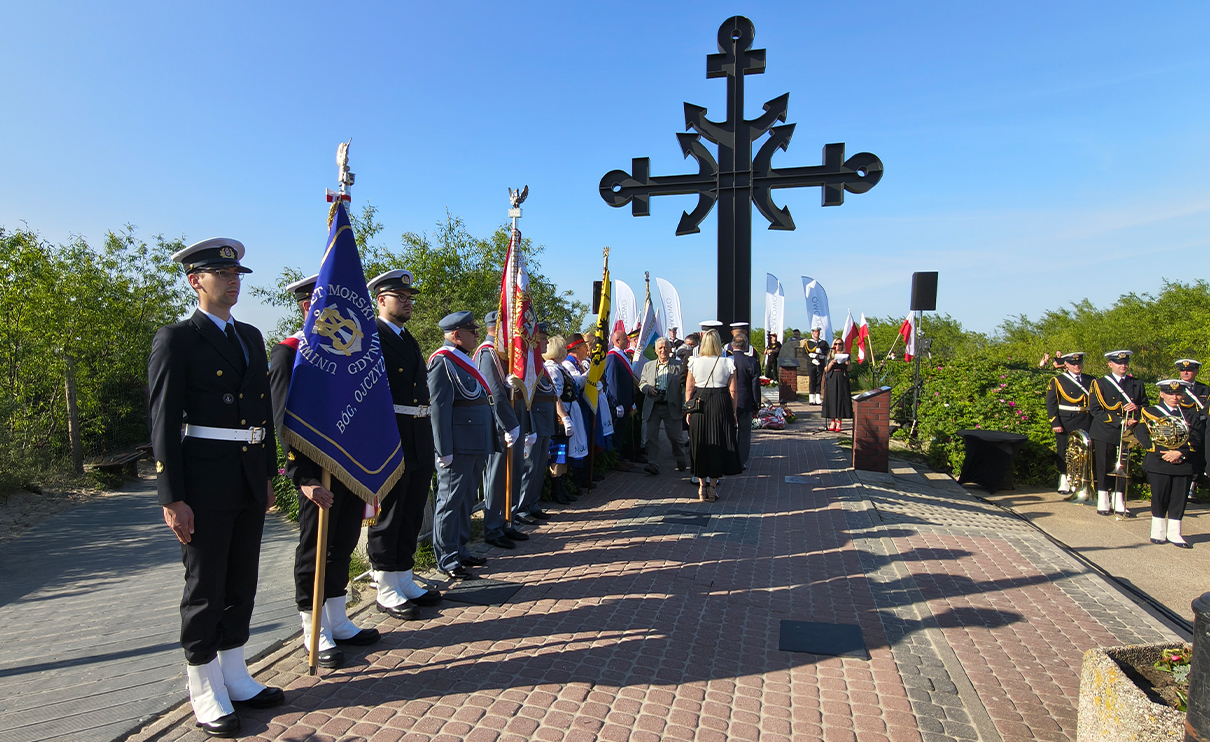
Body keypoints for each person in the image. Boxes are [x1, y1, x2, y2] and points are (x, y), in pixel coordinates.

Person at [149, 238, 283, 736]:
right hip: (202, 478)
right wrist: (171, 496)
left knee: (240, 580)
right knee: (205, 586)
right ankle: (203, 686)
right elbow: (163, 421)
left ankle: (235, 675)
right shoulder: (177, 338)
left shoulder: (249, 335)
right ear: (195, 281)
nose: (233, 281)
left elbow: (262, 414)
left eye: (237, 275)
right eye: (221, 274)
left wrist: (267, 473)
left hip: (247, 472)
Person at [271, 274, 379, 670]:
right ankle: (312, 627)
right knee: (315, 548)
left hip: (350, 469)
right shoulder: (289, 354)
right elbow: (282, 420)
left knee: (345, 542)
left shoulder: (351, 354)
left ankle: (337, 618)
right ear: (307, 307)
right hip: (317, 474)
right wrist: (303, 477)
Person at [366, 270, 444, 614]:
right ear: (381, 300)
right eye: (401, 297)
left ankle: (403, 576)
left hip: (418, 432)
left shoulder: (407, 338)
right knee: (391, 512)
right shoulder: (372, 337)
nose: (409, 302)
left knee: (412, 509)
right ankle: (385, 585)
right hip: (391, 433)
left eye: (410, 297)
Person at [427, 311, 495, 580]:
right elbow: (439, 410)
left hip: (475, 442)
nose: (476, 336)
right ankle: (447, 557)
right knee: (450, 501)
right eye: (472, 332)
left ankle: (460, 548)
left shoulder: (463, 361)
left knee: (466, 499)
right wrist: (443, 449)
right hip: (458, 445)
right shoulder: (442, 363)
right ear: (456, 335)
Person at [474, 311, 527, 551]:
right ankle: (493, 527)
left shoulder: (502, 353)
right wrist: (509, 423)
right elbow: (494, 392)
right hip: (500, 424)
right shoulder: (488, 353)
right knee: (497, 478)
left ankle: (508, 519)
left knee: (512, 473)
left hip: (511, 423)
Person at [1136, 380, 1200, 548]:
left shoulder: (1190, 414)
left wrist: (1180, 453)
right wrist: (1163, 453)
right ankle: (1157, 532)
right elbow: (1143, 435)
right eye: (1170, 394)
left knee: (1179, 499)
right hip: (1159, 462)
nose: (1174, 397)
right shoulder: (1150, 412)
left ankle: (1175, 533)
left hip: (1183, 463)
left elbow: (1196, 438)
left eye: (1178, 394)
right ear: (1162, 394)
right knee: (1160, 496)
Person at [1089, 350, 1148, 517]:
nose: (1123, 365)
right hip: (1105, 430)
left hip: (1127, 432)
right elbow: (1095, 409)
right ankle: (1103, 499)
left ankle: (1119, 500)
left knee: (1123, 465)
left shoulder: (1136, 383)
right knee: (1103, 465)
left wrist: (1136, 409)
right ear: (1110, 365)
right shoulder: (1100, 383)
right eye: (1119, 363)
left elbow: (1145, 405)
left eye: (1125, 363)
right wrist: (1119, 421)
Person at [685, 329, 741, 501]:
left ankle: (701, 487)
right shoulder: (728, 362)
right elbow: (733, 390)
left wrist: (689, 409)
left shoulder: (694, 362)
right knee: (718, 442)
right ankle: (713, 488)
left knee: (700, 443)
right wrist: (733, 412)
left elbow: (689, 388)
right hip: (721, 403)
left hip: (700, 402)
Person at [517, 322, 556, 523]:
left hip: (545, 421)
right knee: (529, 466)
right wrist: (529, 426)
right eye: (542, 338)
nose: (546, 341)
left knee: (540, 466)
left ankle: (533, 503)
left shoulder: (540, 364)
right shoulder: (528, 365)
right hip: (534, 422)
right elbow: (526, 397)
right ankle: (521, 507)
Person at [1044, 352, 1094, 495]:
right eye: (1073, 364)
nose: (1076, 366)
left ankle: (1080, 479)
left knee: (1084, 451)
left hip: (1086, 418)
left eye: (1079, 363)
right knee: (1064, 450)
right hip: (1066, 420)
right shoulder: (1058, 380)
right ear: (1066, 365)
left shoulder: (1091, 380)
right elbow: (1051, 403)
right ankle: (1064, 478)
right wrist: (1055, 422)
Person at [639, 337, 687, 474]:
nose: (663, 350)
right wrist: (648, 388)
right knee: (651, 437)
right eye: (660, 348)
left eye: (665, 347)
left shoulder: (678, 365)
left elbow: (684, 386)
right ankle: (653, 464)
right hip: (653, 406)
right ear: (655, 350)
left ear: (670, 349)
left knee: (675, 437)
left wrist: (684, 404)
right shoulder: (648, 366)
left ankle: (680, 459)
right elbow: (641, 383)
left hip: (671, 405)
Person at [543, 335, 579, 503]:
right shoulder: (552, 369)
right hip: (557, 417)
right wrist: (564, 417)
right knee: (557, 454)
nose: (566, 350)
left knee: (563, 453)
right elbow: (555, 396)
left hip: (566, 412)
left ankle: (563, 487)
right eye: (563, 347)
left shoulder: (559, 367)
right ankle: (557, 490)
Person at [605, 329, 641, 464]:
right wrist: (616, 402)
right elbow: (612, 381)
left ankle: (621, 457)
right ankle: (616, 460)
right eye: (625, 339)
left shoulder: (623, 355)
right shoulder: (613, 356)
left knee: (622, 431)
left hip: (626, 401)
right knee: (617, 432)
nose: (627, 341)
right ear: (617, 341)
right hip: (619, 403)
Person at [730, 330, 763, 470]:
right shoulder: (751, 362)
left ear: (732, 345)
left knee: (729, 431)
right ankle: (741, 461)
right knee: (744, 433)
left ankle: (729, 458)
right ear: (745, 346)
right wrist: (757, 403)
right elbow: (755, 386)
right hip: (745, 402)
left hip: (729, 401)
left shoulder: (726, 360)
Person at [1176, 359, 1209, 491]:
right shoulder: (1174, 388)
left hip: (1200, 428)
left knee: (1199, 457)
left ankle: (1193, 487)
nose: (1185, 372)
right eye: (1183, 370)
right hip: (1181, 428)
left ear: (1196, 371)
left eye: (1189, 370)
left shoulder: (1205, 389)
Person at [822, 339, 853, 432]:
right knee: (832, 399)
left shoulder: (846, 355)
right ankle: (832, 421)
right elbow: (826, 369)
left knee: (841, 399)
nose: (838, 346)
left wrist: (848, 364)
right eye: (836, 344)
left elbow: (850, 369)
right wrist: (831, 363)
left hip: (842, 378)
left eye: (840, 344)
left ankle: (839, 421)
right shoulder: (830, 355)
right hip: (832, 378)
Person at [804, 326, 829, 405]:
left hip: (820, 363)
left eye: (818, 332)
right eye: (815, 332)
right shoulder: (809, 343)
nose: (816, 333)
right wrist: (811, 359)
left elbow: (827, 351)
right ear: (812, 333)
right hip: (812, 364)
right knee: (812, 380)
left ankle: (818, 398)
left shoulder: (823, 343)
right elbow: (804, 353)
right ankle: (811, 398)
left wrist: (822, 354)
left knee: (819, 380)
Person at [776, 329, 800, 404]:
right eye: (794, 334)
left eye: (797, 334)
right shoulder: (789, 340)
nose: (795, 336)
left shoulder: (802, 340)